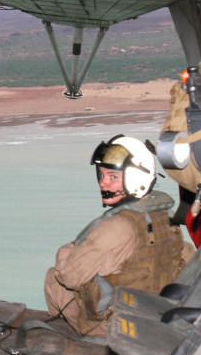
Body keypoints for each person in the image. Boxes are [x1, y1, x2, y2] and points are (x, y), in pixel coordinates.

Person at [44, 135, 190, 337]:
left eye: (113, 177)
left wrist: (66, 251)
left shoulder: (115, 227)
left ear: (136, 178)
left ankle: (68, 338)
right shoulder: (166, 217)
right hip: (156, 316)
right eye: (101, 175)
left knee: (53, 277)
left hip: (118, 327)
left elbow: (70, 277)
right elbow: (186, 256)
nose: (103, 184)